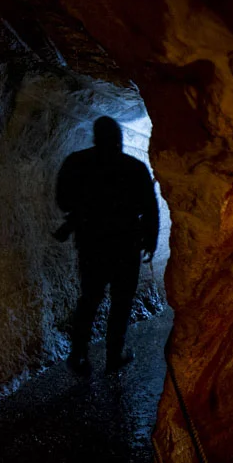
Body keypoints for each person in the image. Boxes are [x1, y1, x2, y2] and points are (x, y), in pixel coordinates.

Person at [55, 116, 159, 375]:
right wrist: (150, 239)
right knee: (121, 302)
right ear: (119, 138)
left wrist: (85, 213)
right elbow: (149, 207)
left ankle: (78, 354)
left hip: (92, 244)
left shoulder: (77, 164)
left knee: (90, 299)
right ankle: (113, 356)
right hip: (126, 245)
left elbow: (63, 200)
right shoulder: (133, 167)